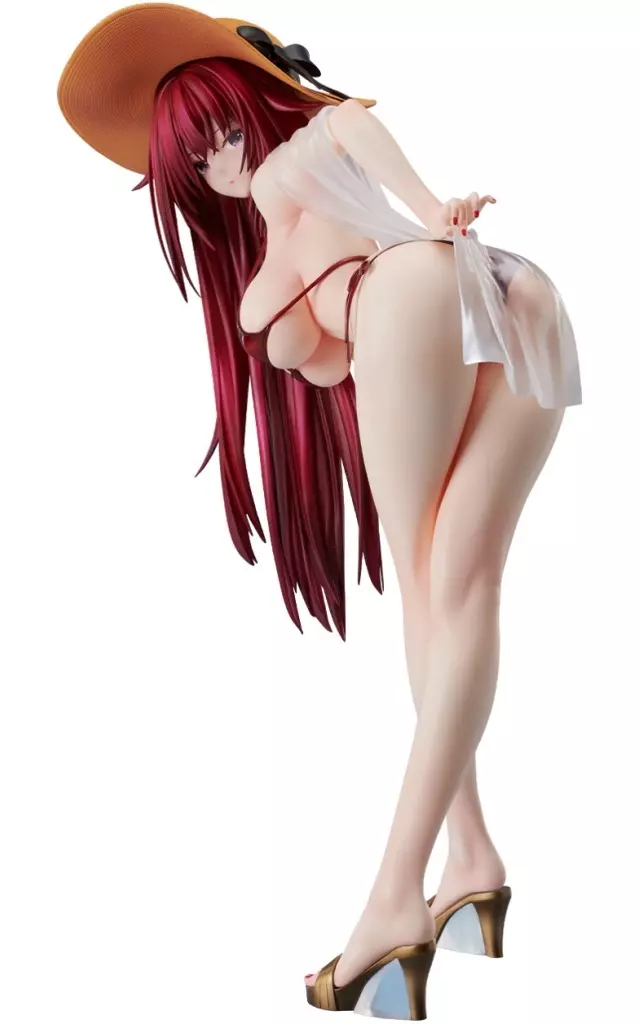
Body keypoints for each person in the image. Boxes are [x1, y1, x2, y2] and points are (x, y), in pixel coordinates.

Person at [57, 6, 582, 1019]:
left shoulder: (303, 156)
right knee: (456, 582)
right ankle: (471, 856)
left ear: (261, 93)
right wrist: (418, 234)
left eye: (221, 126)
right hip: (521, 299)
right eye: (193, 160)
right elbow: (308, 325)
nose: (218, 161)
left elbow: (356, 129)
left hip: (427, 281)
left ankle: (394, 899)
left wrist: (432, 210)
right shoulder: (278, 232)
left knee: (436, 588)